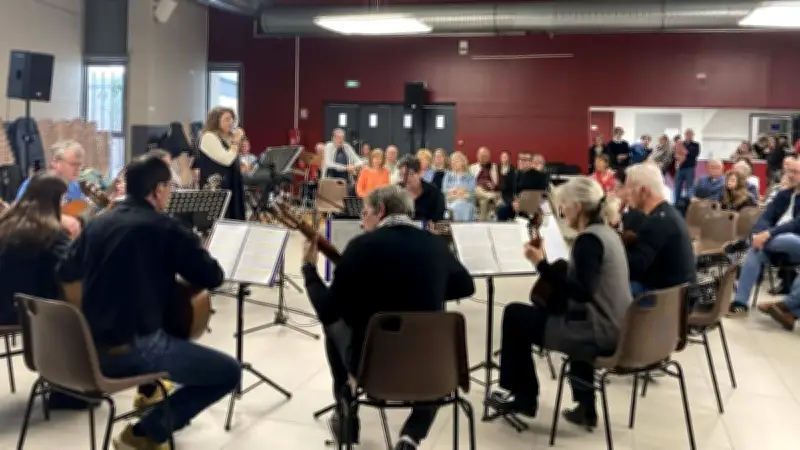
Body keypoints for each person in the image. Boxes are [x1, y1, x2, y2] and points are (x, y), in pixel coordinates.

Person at [57, 154, 240, 450]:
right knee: (228, 372)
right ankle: (145, 433)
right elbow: (213, 276)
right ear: (157, 190)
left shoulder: (98, 224)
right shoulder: (165, 229)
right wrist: (194, 247)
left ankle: (150, 394)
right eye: (169, 187)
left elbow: (65, 270)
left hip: (85, 348)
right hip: (131, 350)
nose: (170, 192)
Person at [300, 184, 475, 449]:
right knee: (434, 339)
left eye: (365, 213)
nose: (362, 221)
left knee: (333, 327)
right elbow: (465, 286)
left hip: (374, 371)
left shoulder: (361, 247)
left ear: (380, 210)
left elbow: (327, 310)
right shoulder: (435, 244)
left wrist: (309, 270)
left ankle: (347, 419)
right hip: (434, 371)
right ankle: (411, 435)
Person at [487, 177, 632, 429]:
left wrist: (541, 264)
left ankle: (523, 397)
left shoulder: (588, 241)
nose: (562, 210)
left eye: (564, 205)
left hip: (595, 330)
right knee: (540, 309)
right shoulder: (608, 233)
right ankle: (585, 407)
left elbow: (582, 292)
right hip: (617, 324)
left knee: (515, 315)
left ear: (577, 206)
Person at [0, 174, 88, 410]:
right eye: (64, 200)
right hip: (28, 311)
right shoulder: (48, 234)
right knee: (79, 308)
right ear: (54, 201)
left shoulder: (6, 224)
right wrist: (77, 240)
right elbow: (74, 268)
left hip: (6, 305)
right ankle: (70, 387)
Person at [727, 157, 800, 317]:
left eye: (796, 172)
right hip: (775, 245)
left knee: (787, 238)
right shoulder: (784, 195)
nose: (791, 175)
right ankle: (740, 303)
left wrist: (767, 234)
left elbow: (796, 224)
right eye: (790, 171)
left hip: (795, 242)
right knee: (755, 252)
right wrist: (759, 233)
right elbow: (765, 217)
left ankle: (747, 242)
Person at [623, 163, 695, 297]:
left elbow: (633, 268)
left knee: (607, 289)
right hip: (679, 294)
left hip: (666, 299)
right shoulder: (668, 213)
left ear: (644, 191)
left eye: (629, 187)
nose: (626, 193)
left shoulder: (657, 221)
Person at [17, 140, 85, 237]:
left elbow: (80, 214)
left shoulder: (74, 187)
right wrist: (59, 218)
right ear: (55, 162)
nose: (77, 169)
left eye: (79, 165)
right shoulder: (34, 184)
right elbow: (21, 214)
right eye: (73, 164)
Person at [195, 106, 247, 219]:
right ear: (216, 121)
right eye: (227, 119)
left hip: (233, 185)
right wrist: (236, 141)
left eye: (232, 119)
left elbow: (233, 159)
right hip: (217, 188)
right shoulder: (208, 137)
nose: (231, 122)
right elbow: (226, 160)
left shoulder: (228, 138)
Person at [496, 154, 551, 221]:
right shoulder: (514, 174)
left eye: (539, 163)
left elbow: (542, 192)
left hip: (534, 205)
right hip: (516, 204)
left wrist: (537, 172)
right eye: (535, 162)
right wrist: (512, 202)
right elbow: (506, 192)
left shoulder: (543, 176)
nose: (536, 165)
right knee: (502, 211)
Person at [397, 155, 445, 222]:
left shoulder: (435, 194)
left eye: (410, 174)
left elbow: (439, 222)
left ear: (421, 173)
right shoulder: (395, 192)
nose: (405, 178)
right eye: (402, 174)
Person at [441, 151, 476, 221]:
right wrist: (454, 191)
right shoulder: (448, 175)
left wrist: (456, 193)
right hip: (450, 201)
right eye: (452, 161)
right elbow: (444, 190)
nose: (453, 163)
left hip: (466, 201)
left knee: (459, 205)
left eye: (456, 161)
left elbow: (472, 193)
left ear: (462, 162)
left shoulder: (470, 177)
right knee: (451, 207)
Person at [470, 147, 500, 220]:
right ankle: (491, 196)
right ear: (477, 156)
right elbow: (469, 184)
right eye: (482, 155)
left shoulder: (495, 167)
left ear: (489, 157)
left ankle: (482, 223)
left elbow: (501, 183)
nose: (483, 158)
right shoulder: (471, 168)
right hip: (477, 190)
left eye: (486, 156)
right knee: (477, 189)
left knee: (483, 201)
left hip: (490, 191)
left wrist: (494, 186)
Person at [674, 129, 700, 204]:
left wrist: (683, 151)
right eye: (687, 134)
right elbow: (676, 154)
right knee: (678, 186)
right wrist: (679, 154)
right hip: (680, 168)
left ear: (693, 135)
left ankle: (688, 204)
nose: (689, 135)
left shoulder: (696, 145)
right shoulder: (680, 144)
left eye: (690, 134)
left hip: (690, 168)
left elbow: (694, 154)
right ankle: (676, 203)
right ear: (685, 135)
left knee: (689, 187)